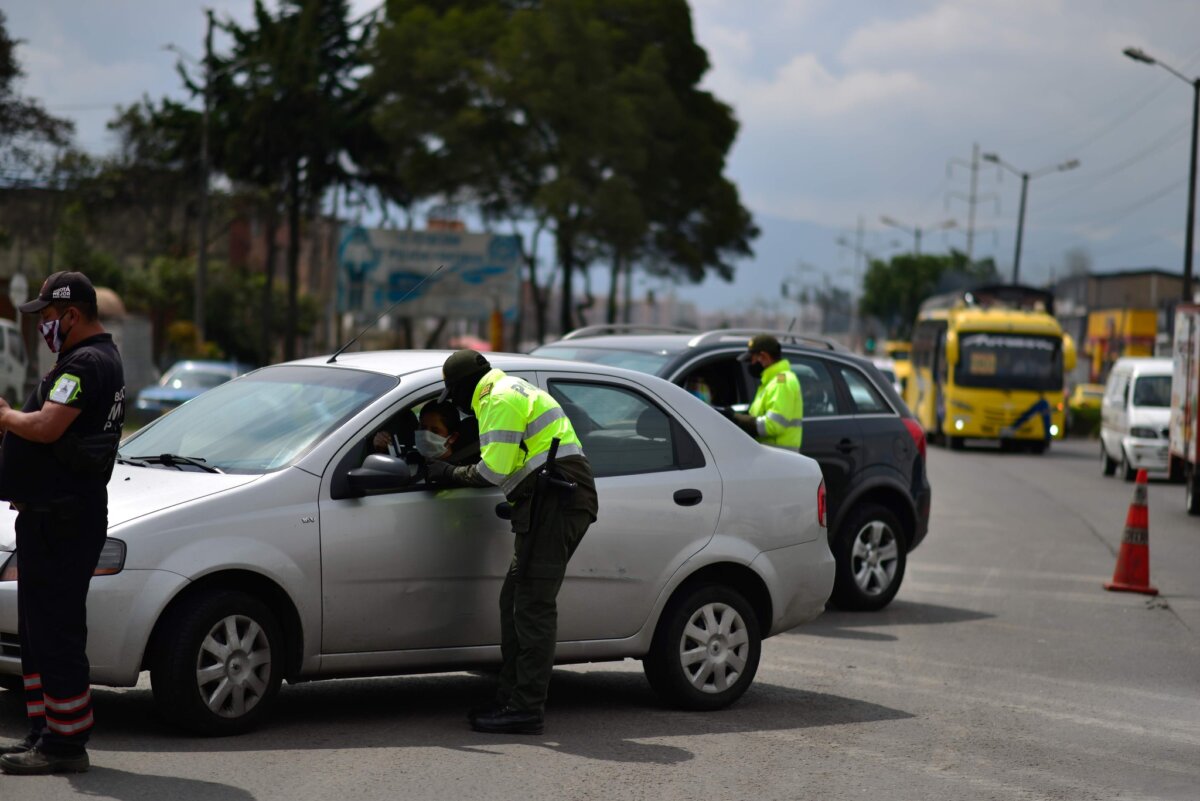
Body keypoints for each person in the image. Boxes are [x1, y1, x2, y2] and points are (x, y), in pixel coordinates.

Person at [425, 349, 598, 735]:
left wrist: (446, 472)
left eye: (453, 395)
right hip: (550, 499)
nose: (456, 405)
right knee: (515, 601)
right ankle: (509, 697)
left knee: (532, 605)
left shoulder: (497, 399)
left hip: (556, 500)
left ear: (464, 386)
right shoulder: (509, 389)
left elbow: (493, 470)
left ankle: (525, 708)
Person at [0, 271, 125, 775]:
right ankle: (44, 733)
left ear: (71, 315)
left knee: (57, 633)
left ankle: (66, 745)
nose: (43, 326)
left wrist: (6, 417)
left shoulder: (88, 363)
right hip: (50, 519)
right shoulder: (85, 360)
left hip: (64, 521)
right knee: (38, 633)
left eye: (48, 317)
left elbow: (49, 425)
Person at [730, 334, 803, 451]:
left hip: (780, 459)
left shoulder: (782, 382)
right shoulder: (770, 382)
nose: (750, 364)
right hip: (771, 457)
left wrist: (736, 419)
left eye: (752, 359)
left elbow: (773, 425)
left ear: (764, 356)